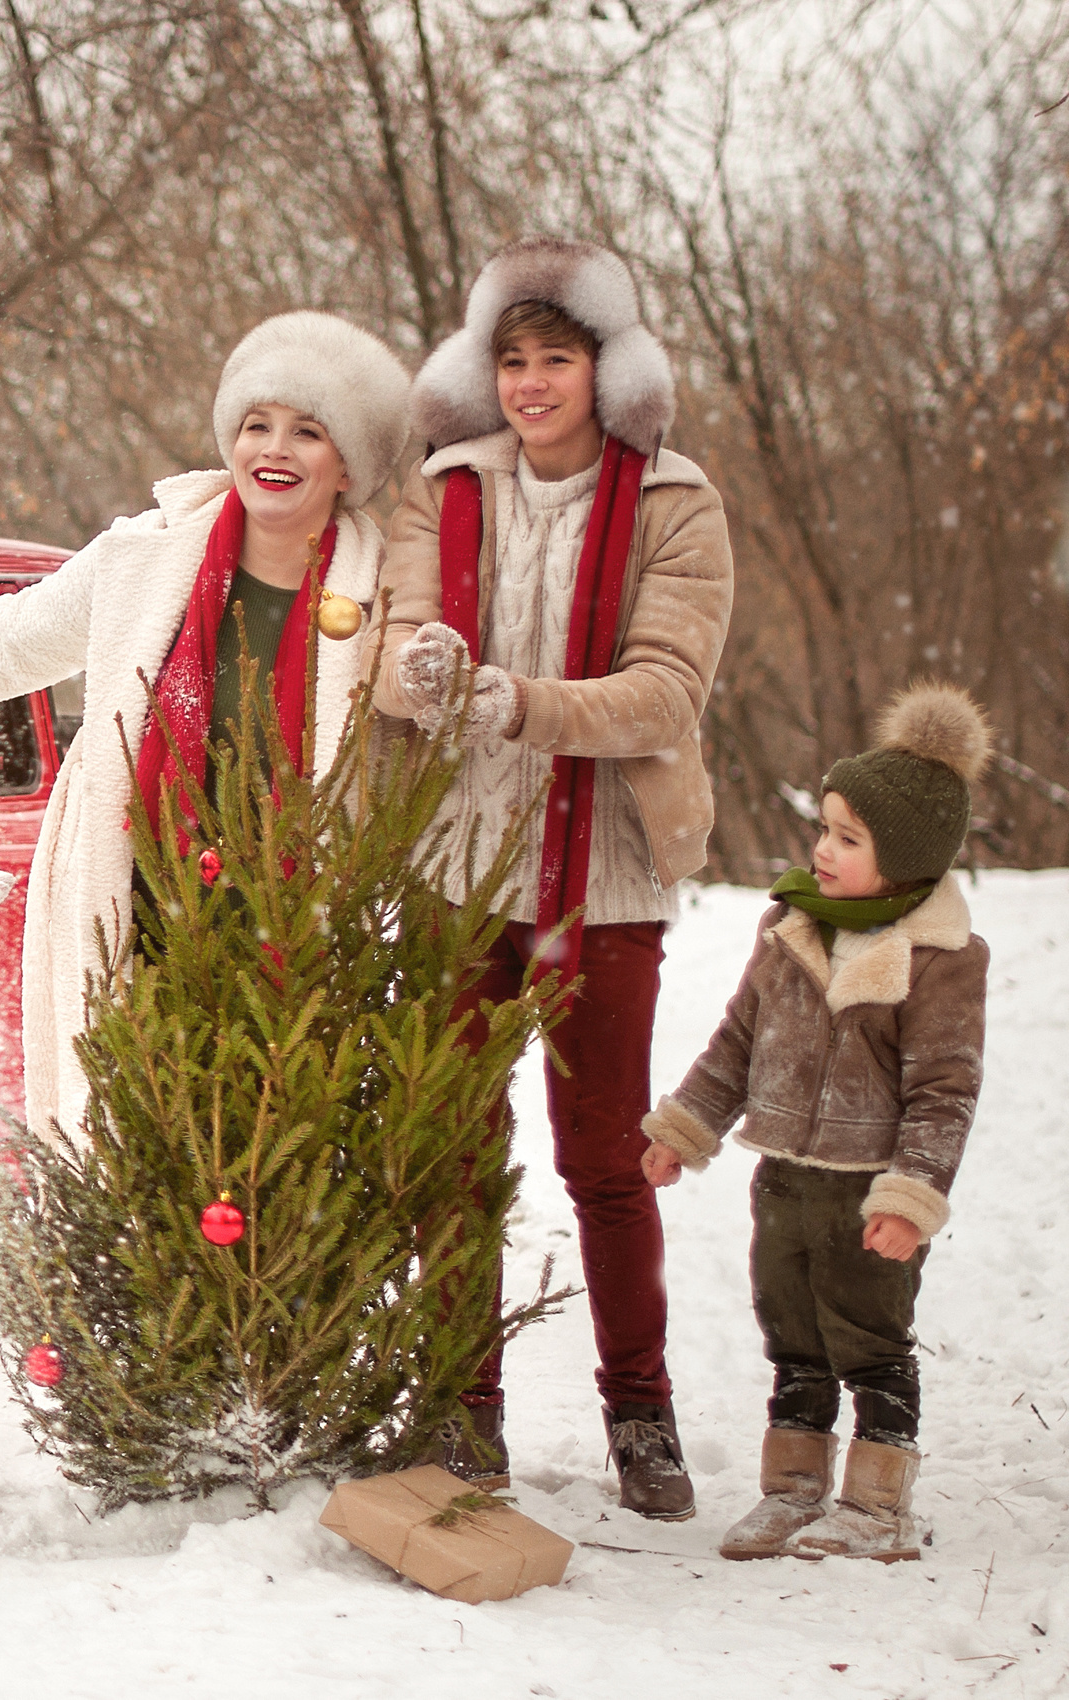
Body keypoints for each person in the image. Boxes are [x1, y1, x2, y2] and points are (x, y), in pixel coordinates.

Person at [0, 311, 412, 1145]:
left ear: (350, 465)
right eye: (256, 425)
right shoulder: (147, 556)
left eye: (307, 432)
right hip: (145, 886)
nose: (274, 449)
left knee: (285, 1140)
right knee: (144, 1125)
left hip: (303, 910)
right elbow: (14, 636)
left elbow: (425, 735)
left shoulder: (391, 584)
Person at [370, 237, 735, 1517]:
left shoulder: (674, 500)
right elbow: (396, 642)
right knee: (456, 1149)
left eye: (556, 360)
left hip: (606, 875)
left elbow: (663, 693)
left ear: (604, 369)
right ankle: (464, 1408)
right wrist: (416, 671)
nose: (531, 385)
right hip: (456, 865)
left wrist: (517, 702)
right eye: (510, 361)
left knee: (603, 1160)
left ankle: (641, 1413)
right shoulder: (446, 487)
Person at [639, 684, 991, 1563]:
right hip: (785, 1177)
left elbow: (945, 1089)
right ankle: (792, 1489)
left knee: (869, 1338)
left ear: (903, 859)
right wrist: (685, 1127)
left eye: (847, 838)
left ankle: (877, 1503)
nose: (821, 849)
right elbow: (737, 1043)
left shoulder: (941, 957)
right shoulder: (790, 928)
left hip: (869, 1189)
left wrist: (911, 1197)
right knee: (791, 1329)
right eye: (824, 829)